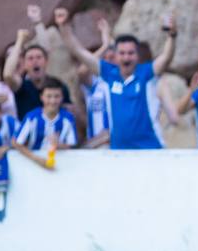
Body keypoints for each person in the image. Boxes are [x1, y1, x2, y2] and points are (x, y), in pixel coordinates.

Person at [56, 8, 173, 150]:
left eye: (131, 53)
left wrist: (172, 36)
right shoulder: (108, 73)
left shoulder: (146, 73)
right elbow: (78, 51)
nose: (126, 57)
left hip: (149, 148)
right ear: (116, 55)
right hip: (119, 150)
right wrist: (64, 26)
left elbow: (166, 58)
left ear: (137, 56)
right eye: (122, 53)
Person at [15, 78, 77, 160]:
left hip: (60, 165)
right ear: (41, 97)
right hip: (33, 166)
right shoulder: (32, 117)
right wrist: (36, 159)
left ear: (62, 97)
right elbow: (17, 143)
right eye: (49, 96)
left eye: (57, 96)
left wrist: (59, 145)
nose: (53, 101)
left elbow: (71, 145)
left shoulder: (68, 119)